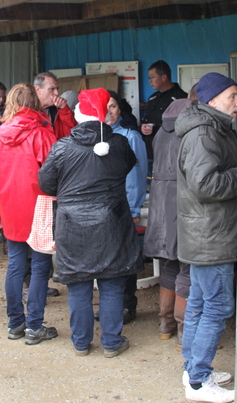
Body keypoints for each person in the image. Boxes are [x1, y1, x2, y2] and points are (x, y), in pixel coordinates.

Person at [38, 88, 143, 358]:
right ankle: (111, 342)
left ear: (78, 115)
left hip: (72, 225)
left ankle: (81, 342)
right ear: (104, 114)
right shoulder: (120, 144)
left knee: (78, 284)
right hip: (112, 223)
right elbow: (127, 166)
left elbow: (46, 184)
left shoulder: (62, 147)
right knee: (111, 283)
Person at [176, 72, 237, 403]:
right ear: (213, 100)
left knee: (201, 303)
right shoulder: (204, 133)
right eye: (232, 96)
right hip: (210, 234)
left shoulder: (213, 127)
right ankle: (199, 382)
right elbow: (206, 185)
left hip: (206, 232)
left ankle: (193, 369)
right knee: (217, 305)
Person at [0, 83, 59, 345]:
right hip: (40, 206)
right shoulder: (41, 134)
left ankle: (16, 323)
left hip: (9, 207)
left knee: (15, 264)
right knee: (39, 266)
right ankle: (34, 326)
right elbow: (53, 175)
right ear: (35, 104)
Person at [144, 97, 196, 344]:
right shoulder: (191, 130)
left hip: (160, 202)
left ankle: (166, 324)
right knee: (187, 266)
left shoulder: (162, 131)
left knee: (169, 265)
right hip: (183, 201)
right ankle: (185, 331)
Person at [106, 90, 148, 325]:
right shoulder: (95, 136)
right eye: (105, 107)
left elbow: (137, 176)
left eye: (113, 106)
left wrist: (133, 209)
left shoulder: (131, 137)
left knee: (125, 257)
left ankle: (127, 305)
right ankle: (111, 306)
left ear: (120, 109)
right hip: (103, 209)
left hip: (124, 208)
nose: (109, 112)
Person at [141, 60, 188, 158]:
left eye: (152, 77)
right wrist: (142, 127)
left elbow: (184, 126)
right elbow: (146, 121)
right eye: (149, 77)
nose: (150, 80)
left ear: (164, 77)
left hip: (171, 153)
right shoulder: (152, 98)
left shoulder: (181, 98)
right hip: (151, 152)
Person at [34, 71, 76, 139]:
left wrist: (64, 111)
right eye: (52, 89)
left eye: (57, 89)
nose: (56, 93)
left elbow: (71, 135)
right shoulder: (27, 113)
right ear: (38, 90)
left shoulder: (58, 110)